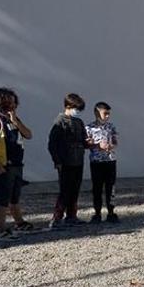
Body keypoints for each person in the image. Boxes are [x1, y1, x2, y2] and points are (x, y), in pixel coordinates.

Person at [0, 87, 34, 240]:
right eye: (9, 100)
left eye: (14, 100)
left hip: (17, 163)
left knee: (15, 195)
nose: (13, 104)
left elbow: (28, 134)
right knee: (4, 196)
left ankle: (19, 222)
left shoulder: (12, 118)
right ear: (0, 101)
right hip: (5, 163)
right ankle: (1, 228)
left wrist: (15, 121)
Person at [48, 93, 90, 226]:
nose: (77, 112)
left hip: (78, 160)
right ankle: (57, 218)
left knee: (75, 189)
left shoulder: (79, 122)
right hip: (65, 161)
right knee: (65, 190)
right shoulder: (59, 121)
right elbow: (52, 144)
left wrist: (89, 142)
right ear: (67, 106)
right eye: (76, 108)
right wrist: (57, 161)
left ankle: (72, 216)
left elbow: (84, 141)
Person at [86, 102, 119, 224]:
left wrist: (111, 145)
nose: (107, 116)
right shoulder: (89, 128)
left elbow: (115, 141)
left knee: (111, 187)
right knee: (97, 188)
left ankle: (111, 212)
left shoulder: (111, 127)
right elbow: (86, 144)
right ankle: (97, 213)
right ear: (96, 112)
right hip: (96, 162)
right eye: (105, 113)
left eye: (109, 114)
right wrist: (96, 145)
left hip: (110, 160)